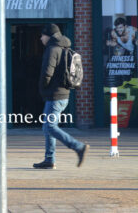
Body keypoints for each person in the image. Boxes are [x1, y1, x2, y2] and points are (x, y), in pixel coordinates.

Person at [33, 23, 89, 170]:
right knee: (48, 127)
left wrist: (41, 89)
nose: (40, 38)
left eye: (42, 35)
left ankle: (78, 147)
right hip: (63, 94)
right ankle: (49, 159)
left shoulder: (52, 49)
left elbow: (47, 73)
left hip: (55, 95)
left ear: (49, 35)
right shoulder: (65, 47)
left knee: (49, 126)